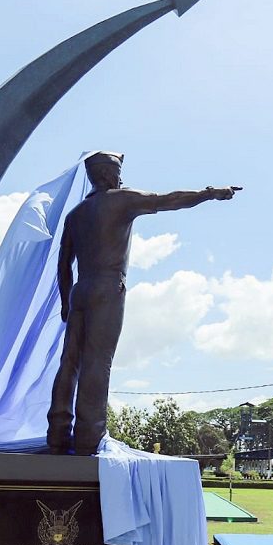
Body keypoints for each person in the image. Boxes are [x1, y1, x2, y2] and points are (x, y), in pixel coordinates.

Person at [47, 151, 238, 455]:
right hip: (108, 287)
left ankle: (57, 432)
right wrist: (210, 194)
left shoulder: (76, 215)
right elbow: (170, 199)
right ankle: (87, 437)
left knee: (69, 362)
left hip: (79, 289)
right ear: (110, 175)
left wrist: (65, 302)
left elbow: (62, 264)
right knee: (98, 361)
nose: (121, 178)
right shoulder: (121, 200)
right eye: (118, 172)